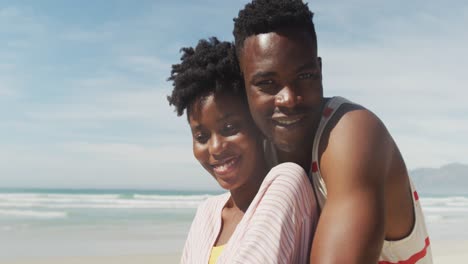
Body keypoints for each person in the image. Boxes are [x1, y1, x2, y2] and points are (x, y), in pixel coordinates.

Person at [232, 0, 433, 263]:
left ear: (320, 70)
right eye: (267, 83)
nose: (288, 99)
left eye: (304, 77)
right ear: (243, 84)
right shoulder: (258, 150)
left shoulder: (351, 132)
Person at [167, 37, 317, 263]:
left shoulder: (287, 182)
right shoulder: (207, 214)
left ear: (257, 124)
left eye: (229, 128)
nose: (215, 147)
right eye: (201, 136)